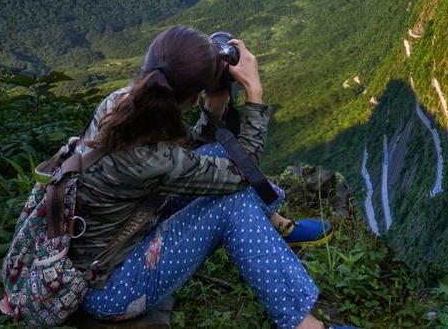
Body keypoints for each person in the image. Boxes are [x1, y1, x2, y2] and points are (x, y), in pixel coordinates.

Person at [69, 25, 354, 329]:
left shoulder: (124, 101)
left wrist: (212, 114)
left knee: (221, 153)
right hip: (109, 286)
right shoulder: (148, 155)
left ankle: (278, 227)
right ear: (191, 97)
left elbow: (182, 158)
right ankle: (303, 325)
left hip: (116, 232)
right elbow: (242, 173)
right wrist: (254, 95)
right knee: (231, 200)